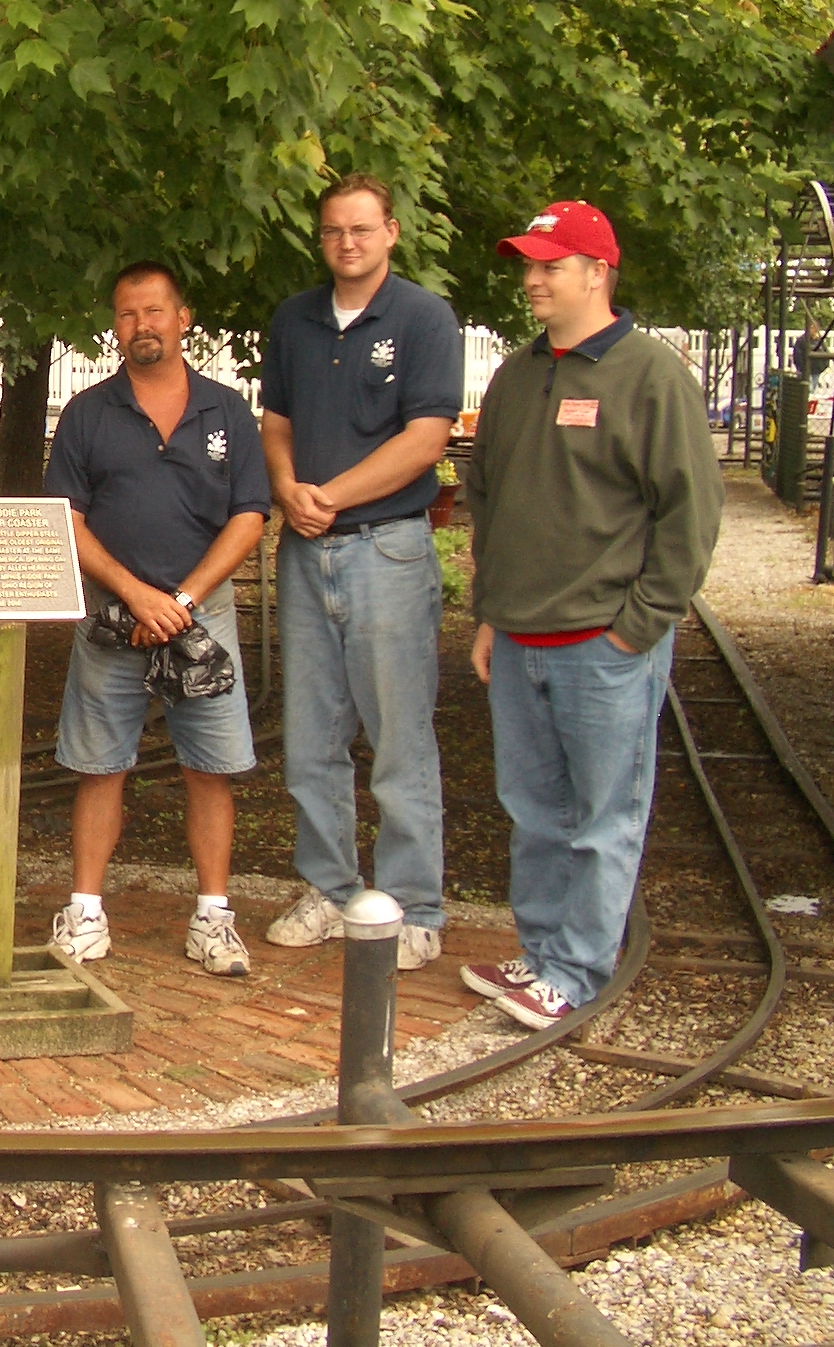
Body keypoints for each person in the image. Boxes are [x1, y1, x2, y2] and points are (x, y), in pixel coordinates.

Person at [462, 201, 722, 1029]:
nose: (532, 280)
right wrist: (491, 614)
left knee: (603, 819)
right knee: (534, 812)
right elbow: (489, 499)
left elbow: (689, 515)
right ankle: (542, 952)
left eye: (550, 266)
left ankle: (577, 970)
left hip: (605, 645)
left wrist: (638, 625)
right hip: (520, 637)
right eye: (528, 266)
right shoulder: (516, 375)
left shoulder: (652, 377)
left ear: (597, 273)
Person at [258, 173, 465, 971]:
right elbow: (276, 422)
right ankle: (331, 889)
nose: (347, 243)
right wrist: (287, 488)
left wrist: (329, 497)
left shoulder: (423, 318)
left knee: (399, 737)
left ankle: (414, 907)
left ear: (391, 232)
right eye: (333, 231)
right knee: (311, 736)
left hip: (388, 548)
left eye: (361, 229)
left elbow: (426, 439)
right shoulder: (295, 319)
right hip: (305, 550)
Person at [44, 264, 271, 976]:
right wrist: (137, 595)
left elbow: (250, 515)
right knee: (98, 767)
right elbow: (66, 519)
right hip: (112, 617)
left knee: (211, 770)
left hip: (205, 618)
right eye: (127, 314)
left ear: (183, 318)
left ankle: (214, 919)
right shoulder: (87, 413)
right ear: (115, 326)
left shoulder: (227, 411)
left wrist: (182, 602)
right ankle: (86, 912)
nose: (141, 325)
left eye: (154, 311)